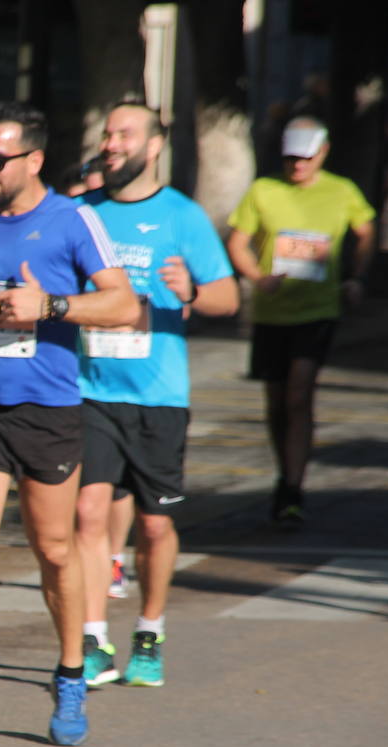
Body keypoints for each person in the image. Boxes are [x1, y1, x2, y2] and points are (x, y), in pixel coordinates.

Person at [0, 101, 138, 747]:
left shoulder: (74, 221)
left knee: (54, 551)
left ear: (34, 160)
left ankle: (71, 670)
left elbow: (124, 303)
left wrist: (50, 304)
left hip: (48, 408)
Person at [74, 104, 240, 688]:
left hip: (158, 396)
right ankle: (93, 640)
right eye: (107, 132)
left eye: (124, 133)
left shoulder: (182, 216)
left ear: (153, 146)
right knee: (89, 513)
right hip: (89, 390)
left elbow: (228, 299)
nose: (111, 142)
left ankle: (149, 629)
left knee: (154, 527)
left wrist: (191, 289)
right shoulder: (82, 214)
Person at [226, 117, 376, 529]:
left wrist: (355, 277)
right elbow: (237, 242)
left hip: (319, 309)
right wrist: (258, 278)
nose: (297, 166)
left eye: (305, 158)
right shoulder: (263, 190)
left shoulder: (341, 191)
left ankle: (293, 487)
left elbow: (366, 230)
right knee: (276, 401)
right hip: (273, 311)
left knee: (299, 392)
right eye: (291, 158)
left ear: (322, 153)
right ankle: (284, 473)